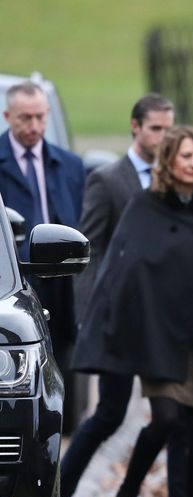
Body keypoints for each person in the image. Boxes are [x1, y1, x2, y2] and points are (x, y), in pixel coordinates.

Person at [73, 126, 193, 497]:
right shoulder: (145, 206)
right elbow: (123, 269)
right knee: (166, 418)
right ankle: (129, 489)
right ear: (169, 161)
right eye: (186, 156)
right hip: (160, 335)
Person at [60, 93, 175, 497]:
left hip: (162, 323)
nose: (163, 137)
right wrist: (90, 316)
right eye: (156, 129)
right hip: (118, 321)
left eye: (168, 129)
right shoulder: (108, 181)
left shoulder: (175, 180)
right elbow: (88, 252)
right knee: (109, 414)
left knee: (172, 415)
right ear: (135, 127)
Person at [0, 80, 85, 427]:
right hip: (15, 278)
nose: (34, 125)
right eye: (25, 118)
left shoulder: (70, 165)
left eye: (40, 117)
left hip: (60, 278)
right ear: (8, 116)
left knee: (64, 361)